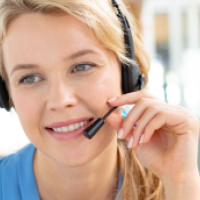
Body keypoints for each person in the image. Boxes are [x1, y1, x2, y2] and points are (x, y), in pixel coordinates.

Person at [0, 0, 200, 199]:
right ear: (7, 94)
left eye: (82, 66)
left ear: (127, 74)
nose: (60, 100)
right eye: (30, 78)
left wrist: (181, 184)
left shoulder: (176, 181)